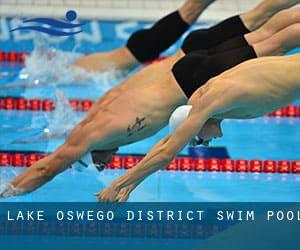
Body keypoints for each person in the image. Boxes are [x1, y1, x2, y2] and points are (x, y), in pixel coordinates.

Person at [1, 0, 300, 198]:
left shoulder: (95, 133)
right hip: (187, 55)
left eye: (94, 162)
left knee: (276, 38)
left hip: (192, 78)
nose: (104, 165)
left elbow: (46, 167)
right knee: (270, 28)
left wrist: (8, 190)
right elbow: (67, 139)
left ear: (89, 150)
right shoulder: (100, 108)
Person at [97, 54, 300, 202]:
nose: (207, 142)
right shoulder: (200, 102)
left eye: (200, 140)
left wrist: (116, 185)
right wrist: (131, 186)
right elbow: (169, 141)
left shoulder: (211, 101)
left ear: (197, 125)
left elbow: (167, 154)